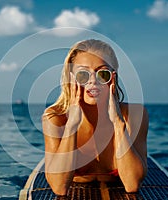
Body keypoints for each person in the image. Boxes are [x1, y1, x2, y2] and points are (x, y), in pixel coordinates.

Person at [42, 39, 148, 197]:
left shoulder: (133, 114)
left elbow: (132, 185)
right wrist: (72, 126)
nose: (93, 80)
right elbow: (59, 188)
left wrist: (119, 125)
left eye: (102, 74)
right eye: (83, 75)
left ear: (113, 77)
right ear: (71, 78)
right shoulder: (55, 118)